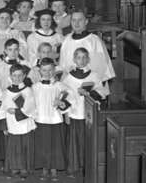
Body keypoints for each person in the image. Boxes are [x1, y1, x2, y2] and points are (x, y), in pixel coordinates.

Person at [62, 47, 109, 177]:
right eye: (78, 57)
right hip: (74, 113)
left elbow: (103, 92)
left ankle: (87, 167)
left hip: (89, 114)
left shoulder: (94, 75)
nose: (81, 60)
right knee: (73, 142)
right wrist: (66, 113)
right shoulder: (68, 78)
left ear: (88, 59)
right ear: (74, 59)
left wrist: (89, 93)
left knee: (87, 141)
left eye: (84, 57)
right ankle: (73, 168)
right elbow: (64, 95)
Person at [59, 10, 115, 95]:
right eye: (74, 20)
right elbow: (63, 64)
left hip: (89, 85)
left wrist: (92, 89)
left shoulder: (94, 40)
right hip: (71, 84)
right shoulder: (67, 40)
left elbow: (102, 67)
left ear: (86, 21)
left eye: (80, 20)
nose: (76, 23)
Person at [32, 57, 70, 181]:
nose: (47, 73)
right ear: (40, 71)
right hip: (41, 119)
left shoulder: (60, 86)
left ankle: (54, 168)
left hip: (55, 119)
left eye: (50, 70)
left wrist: (62, 102)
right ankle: (44, 168)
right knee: (43, 145)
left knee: (56, 145)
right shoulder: (35, 87)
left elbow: (69, 100)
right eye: (44, 70)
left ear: (54, 70)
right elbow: (31, 104)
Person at [0, 64, 36, 180]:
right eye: (14, 75)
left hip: (24, 123)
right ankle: (14, 167)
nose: (17, 78)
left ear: (24, 76)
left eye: (20, 75)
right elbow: (2, 110)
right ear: (10, 76)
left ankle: (24, 168)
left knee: (24, 146)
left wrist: (16, 111)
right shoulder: (6, 92)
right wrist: (4, 125)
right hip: (11, 124)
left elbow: (31, 107)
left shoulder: (28, 90)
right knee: (14, 147)